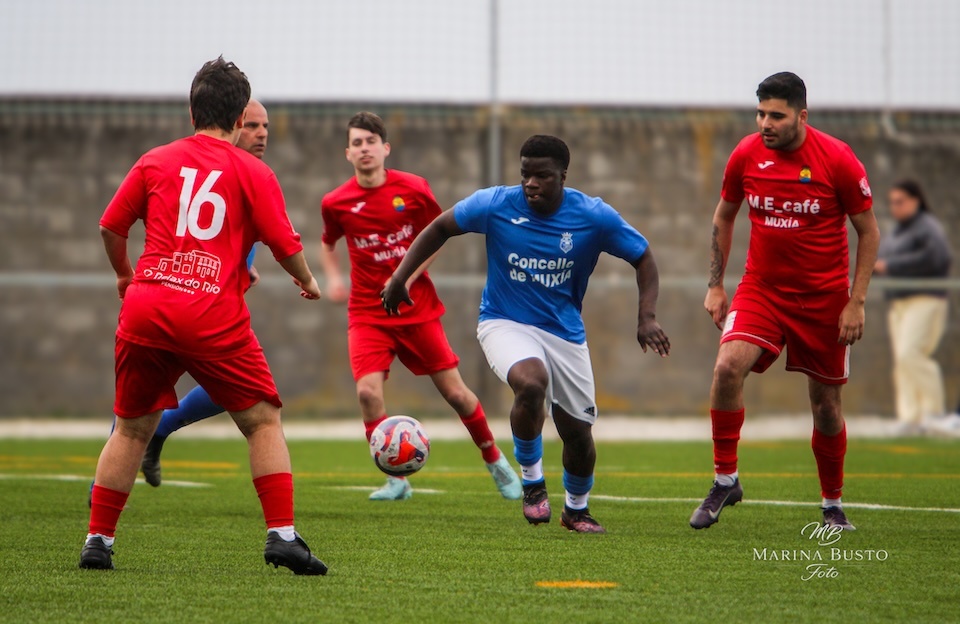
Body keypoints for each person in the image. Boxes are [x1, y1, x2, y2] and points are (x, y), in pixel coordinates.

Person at [81, 58, 327, 575]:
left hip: (147, 306)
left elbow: (111, 225)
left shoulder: (155, 160)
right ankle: (282, 535)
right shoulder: (253, 171)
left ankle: (97, 542)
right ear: (241, 119)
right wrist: (307, 280)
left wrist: (125, 277)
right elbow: (284, 243)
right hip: (211, 310)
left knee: (129, 430)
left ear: (192, 110)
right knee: (262, 419)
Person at [382, 135, 670, 533]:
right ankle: (532, 482)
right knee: (531, 382)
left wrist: (647, 317)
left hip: (564, 332)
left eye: (542, 175)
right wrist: (401, 278)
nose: (530, 183)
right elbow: (440, 227)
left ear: (563, 176)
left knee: (578, 434)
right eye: (525, 174)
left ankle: (576, 510)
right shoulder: (497, 204)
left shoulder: (593, 216)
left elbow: (643, 256)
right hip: (504, 321)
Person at [690, 72, 880, 532]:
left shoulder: (837, 159)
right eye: (760, 114)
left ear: (802, 116)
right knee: (726, 367)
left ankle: (832, 505)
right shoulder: (746, 154)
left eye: (776, 115)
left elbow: (869, 231)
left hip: (824, 299)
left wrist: (855, 302)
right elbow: (724, 215)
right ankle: (725, 479)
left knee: (826, 407)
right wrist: (716, 285)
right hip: (762, 290)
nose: (765, 124)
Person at [319, 112, 522, 501]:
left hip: (417, 310)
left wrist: (406, 279)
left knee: (457, 394)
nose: (365, 149)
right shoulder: (336, 202)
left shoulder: (412, 189)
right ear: (348, 153)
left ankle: (495, 460)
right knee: (366, 393)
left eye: (371, 141)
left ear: (385, 148)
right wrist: (333, 277)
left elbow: (436, 237)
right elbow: (328, 243)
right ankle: (396, 479)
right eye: (357, 143)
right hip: (366, 313)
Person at [137, 98, 271, 486]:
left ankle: (159, 430)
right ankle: (104, 490)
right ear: (233, 122)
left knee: (225, 390)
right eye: (252, 125)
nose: (261, 134)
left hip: (214, 304)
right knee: (140, 395)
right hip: (173, 297)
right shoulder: (190, 166)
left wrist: (245, 269)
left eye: (266, 127)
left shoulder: (252, 173)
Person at [874, 180, 954, 435]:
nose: (895, 207)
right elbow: (883, 259)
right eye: (892, 202)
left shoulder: (928, 227)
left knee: (913, 354)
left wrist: (892, 266)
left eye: (900, 201)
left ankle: (934, 414)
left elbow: (939, 258)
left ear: (915, 201)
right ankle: (911, 417)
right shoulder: (897, 230)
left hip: (925, 299)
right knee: (902, 360)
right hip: (899, 301)